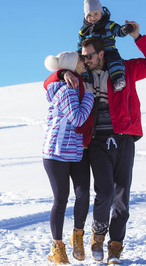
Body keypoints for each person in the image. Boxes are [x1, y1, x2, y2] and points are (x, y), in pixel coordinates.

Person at [45, 21, 146, 265]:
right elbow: (49, 83)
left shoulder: (124, 70)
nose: (85, 60)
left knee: (122, 196)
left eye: (88, 56)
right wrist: (61, 72)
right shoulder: (81, 75)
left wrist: (138, 36)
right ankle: (97, 237)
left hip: (125, 138)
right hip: (97, 142)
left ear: (101, 53)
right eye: (82, 57)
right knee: (105, 192)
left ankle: (115, 247)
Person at [42, 51, 95, 264]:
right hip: (56, 153)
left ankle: (77, 236)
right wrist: (90, 95)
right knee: (61, 199)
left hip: (75, 151)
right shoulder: (66, 90)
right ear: (73, 65)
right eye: (81, 60)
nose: (85, 62)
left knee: (83, 195)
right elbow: (78, 119)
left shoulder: (74, 84)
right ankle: (58, 248)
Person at [78, 0, 133, 92]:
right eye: (89, 15)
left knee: (114, 60)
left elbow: (118, 31)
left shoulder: (108, 25)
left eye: (96, 14)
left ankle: (117, 79)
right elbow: (80, 44)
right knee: (84, 65)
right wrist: (80, 55)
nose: (93, 17)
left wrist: (125, 29)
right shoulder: (84, 30)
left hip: (108, 50)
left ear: (101, 13)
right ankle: (85, 82)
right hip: (91, 55)